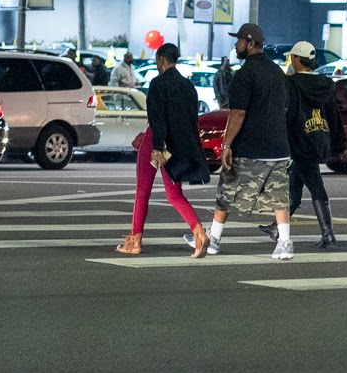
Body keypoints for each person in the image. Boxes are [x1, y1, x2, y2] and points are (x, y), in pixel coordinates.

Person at [185, 23, 294, 260]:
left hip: (250, 147)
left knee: (226, 191)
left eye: (239, 41)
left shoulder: (244, 75)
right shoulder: (278, 73)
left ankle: (213, 240)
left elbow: (237, 113)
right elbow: (286, 108)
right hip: (279, 148)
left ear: (250, 43)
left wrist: (226, 145)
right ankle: (285, 243)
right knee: (279, 196)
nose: (236, 46)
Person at [117, 43, 211, 257]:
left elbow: (157, 119)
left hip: (156, 142)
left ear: (161, 59)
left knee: (143, 190)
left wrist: (156, 147)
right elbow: (191, 122)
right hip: (177, 145)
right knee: (174, 194)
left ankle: (135, 241)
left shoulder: (158, 84)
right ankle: (199, 232)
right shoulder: (188, 86)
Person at [257, 41, 347, 248]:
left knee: (316, 186)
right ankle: (275, 228)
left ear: (297, 59)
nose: (290, 60)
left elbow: (286, 115)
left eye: (292, 57)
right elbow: (334, 117)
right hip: (317, 139)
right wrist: (341, 145)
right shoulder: (325, 85)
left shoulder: (291, 84)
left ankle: (328, 234)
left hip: (299, 142)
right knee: (295, 187)